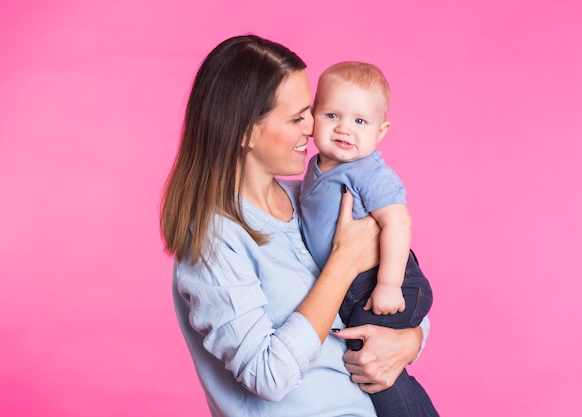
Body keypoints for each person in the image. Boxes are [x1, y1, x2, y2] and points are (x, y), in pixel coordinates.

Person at [160, 35, 430, 417]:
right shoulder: (212, 239)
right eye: (298, 116)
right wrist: (342, 264)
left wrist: (412, 340)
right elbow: (268, 377)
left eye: (312, 110)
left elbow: (395, 298)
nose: (313, 127)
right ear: (244, 132)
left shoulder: (312, 197)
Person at [300, 61, 438, 417]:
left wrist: (389, 285)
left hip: (391, 281)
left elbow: (398, 222)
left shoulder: (368, 171)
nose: (345, 128)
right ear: (312, 116)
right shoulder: (313, 170)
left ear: (381, 131)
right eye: (332, 115)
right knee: (376, 366)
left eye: (360, 121)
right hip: (353, 288)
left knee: (370, 364)